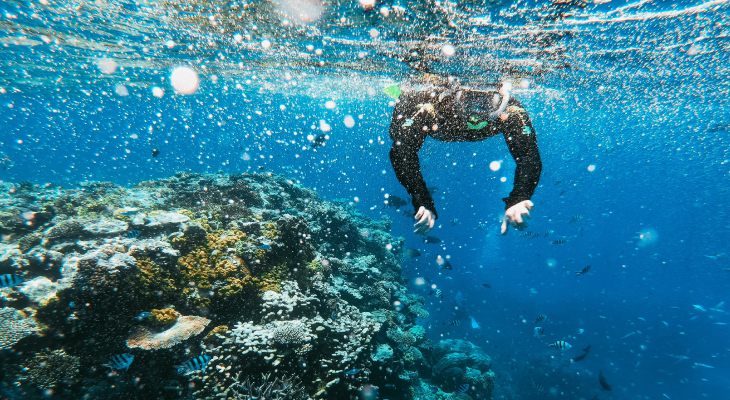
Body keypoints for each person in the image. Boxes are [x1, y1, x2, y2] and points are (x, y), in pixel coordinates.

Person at [388, 73, 542, 236]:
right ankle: (400, 91)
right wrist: (422, 200)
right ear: (454, 95)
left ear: (501, 100)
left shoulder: (510, 110)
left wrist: (520, 196)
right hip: (425, 110)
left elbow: (528, 155)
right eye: (466, 100)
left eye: (487, 102)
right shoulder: (430, 105)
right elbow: (401, 151)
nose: (474, 113)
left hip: (440, 125)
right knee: (398, 133)